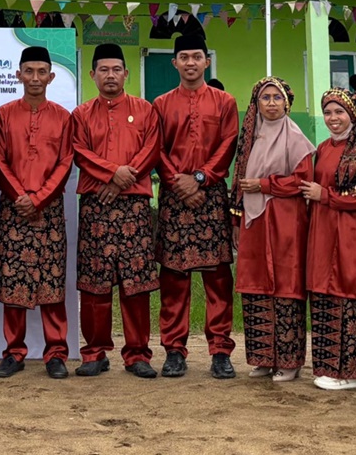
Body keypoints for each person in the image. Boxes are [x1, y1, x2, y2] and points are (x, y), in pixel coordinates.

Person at [69, 44, 162, 379]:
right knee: (95, 284)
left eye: (116, 69)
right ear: (92, 74)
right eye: (103, 70)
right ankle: (94, 352)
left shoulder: (145, 110)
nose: (110, 75)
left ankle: (137, 354)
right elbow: (79, 151)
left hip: (134, 205)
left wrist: (122, 179)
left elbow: (152, 148)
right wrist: (111, 173)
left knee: (135, 283)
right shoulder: (81, 114)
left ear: (126, 73)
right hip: (96, 205)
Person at [153, 34, 241, 379]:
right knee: (174, 277)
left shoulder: (224, 102)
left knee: (218, 277)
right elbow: (156, 148)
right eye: (184, 57)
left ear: (207, 61)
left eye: (197, 57)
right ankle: (174, 350)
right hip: (175, 196)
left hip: (211, 196)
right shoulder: (160, 104)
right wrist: (178, 181)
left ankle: (220, 350)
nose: (190, 63)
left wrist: (202, 178)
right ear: (174, 63)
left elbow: (228, 142)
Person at [0, 46, 75, 380]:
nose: (35, 78)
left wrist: (39, 198)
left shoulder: (63, 117)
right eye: (29, 71)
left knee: (51, 284)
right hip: (14, 209)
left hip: (49, 210)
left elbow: (65, 161)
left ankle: (55, 352)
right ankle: (14, 352)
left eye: (42, 72)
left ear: (51, 77)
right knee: (14, 284)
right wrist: (19, 195)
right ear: (18, 74)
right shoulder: (4, 114)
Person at [234, 77, 315, 382]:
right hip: (255, 221)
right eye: (264, 98)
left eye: (276, 98)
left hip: (285, 220)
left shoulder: (296, 139)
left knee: (285, 285)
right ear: (256, 104)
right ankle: (262, 358)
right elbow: (239, 180)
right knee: (256, 285)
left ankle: (290, 362)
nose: (270, 103)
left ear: (287, 104)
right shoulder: (250, 138)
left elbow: (302, 181)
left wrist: (265, 184)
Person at [300, 90, 356, 390]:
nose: (333, 119)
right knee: (323, 293)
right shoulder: (322, 147)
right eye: (328, 113)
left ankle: (349, 371)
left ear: (353, 115)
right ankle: (330, 367)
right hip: (322, 230)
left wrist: (326, 196)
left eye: (339, 113)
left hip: (349, 231)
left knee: (348, 292)